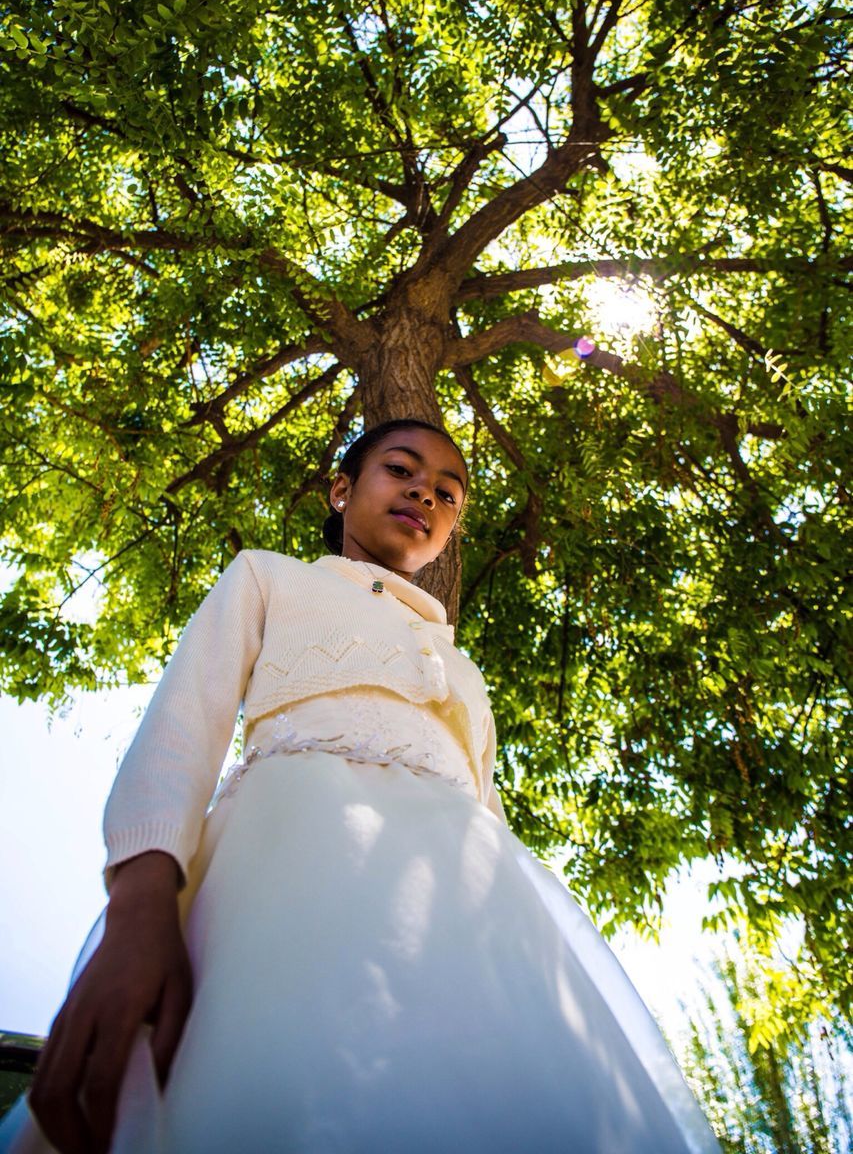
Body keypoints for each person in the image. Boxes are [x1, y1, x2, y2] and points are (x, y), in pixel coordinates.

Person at [0, 419, 720, 1154]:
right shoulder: (268, 577)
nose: (424, 492)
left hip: (465, 907)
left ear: (447, 535)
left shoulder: (464, 672)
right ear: (341, 489)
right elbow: (182, 729)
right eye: (401, 470)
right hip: (286, 860)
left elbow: (488, 817)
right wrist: (141, 903)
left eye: (447, 492)